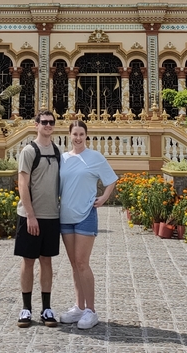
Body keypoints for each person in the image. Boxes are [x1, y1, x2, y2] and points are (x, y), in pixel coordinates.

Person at [58, 119, 118, 330]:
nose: (78, 138)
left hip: (85, 214)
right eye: (75, 134)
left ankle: (91, 310)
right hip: (65, 216)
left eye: (81, 134)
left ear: (86, 136)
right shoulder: (63, 158)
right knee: (74, 264)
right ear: (69, 135)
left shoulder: (95, 157)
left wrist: (103, 198)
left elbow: (111, 180)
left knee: (83, 263)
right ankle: (79, 307)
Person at [14, 110, 62, 328]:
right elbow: (22, 183)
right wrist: (30, 215)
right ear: (36, 125)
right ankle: (26, 308)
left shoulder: (57, 151)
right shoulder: (28, 151)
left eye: (51, 122)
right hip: (30, 217)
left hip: (51, 215)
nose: (48, 125)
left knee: (47, 260)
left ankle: (46, 307)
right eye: (44, 122)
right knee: (28, 260)